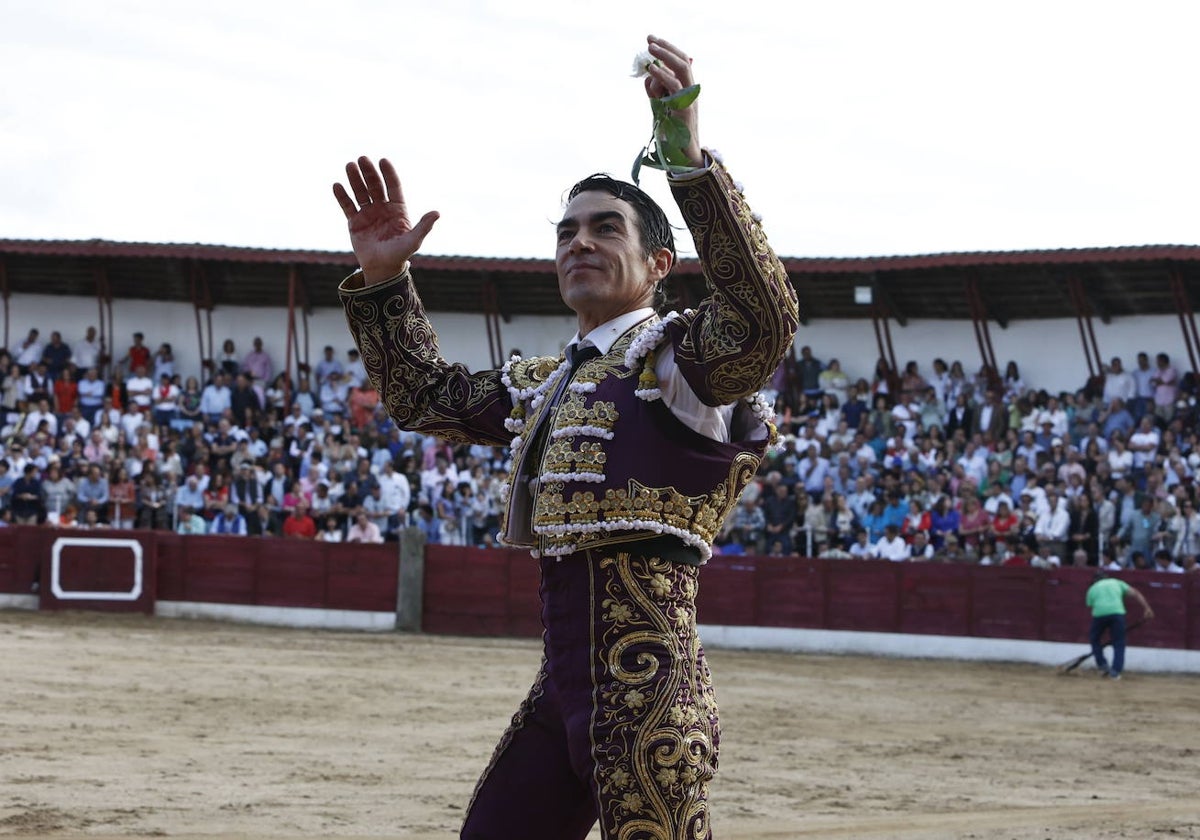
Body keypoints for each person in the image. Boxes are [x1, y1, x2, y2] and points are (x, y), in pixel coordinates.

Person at [332, 34, 798, 840]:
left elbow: (763, 319)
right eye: (566, 231)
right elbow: (423, 397)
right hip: (562, 691)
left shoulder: (680, 359)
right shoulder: (546, 383)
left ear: (659, 263)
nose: (578, 242)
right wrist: (383, 282)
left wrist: (687, 159)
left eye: (604, 228)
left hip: (651, 690)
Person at [1085, 570, 1154, 679]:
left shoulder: (1092, 588)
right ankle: (1115, 672)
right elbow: (1135, 593)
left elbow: (1091, 605)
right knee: (1119, 642)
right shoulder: (1117, 582)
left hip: (1099, 615)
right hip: (1117, 613)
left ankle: (1102, 665)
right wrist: (1147, 608)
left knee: (1094, 639)